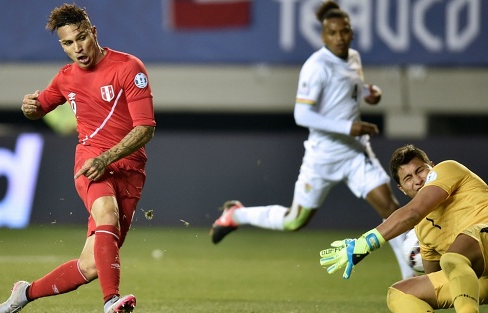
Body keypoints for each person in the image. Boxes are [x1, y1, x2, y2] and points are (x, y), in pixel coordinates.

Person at [209, 0, 415, 280]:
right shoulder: (316, 66)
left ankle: (410, 280)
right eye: (333, 32)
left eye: (344, 31)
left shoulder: (353, 57)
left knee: (390, 209)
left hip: (355, 153)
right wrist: (347, 126)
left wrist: (368, 92)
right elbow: (302, 114)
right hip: (323, 156)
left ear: (351, 32)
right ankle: (236, 215)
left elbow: (346, 88)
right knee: (295, 221)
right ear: (323, 35)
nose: (339, 38)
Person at [0, 4, 155, 313]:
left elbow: (145, 128)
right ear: (62, 45)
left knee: (91, 266)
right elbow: (40, 106)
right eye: (68, 43)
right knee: (106, 212)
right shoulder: (66, 78)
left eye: (81, 38)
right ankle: (111, 302)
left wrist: (109, 157)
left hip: (128, 167)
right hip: (90, 160)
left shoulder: (129, 68)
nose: (77, 48)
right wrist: (30, 107)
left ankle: (23, 295)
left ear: (93, 33)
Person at [320, 144, 488, 312]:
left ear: (433, 167)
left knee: (452, 258)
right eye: (408, 178)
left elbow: (413, 212)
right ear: (401, 189)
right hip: (480, 278)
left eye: (420, 170)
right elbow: (436, 278)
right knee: (402, 293)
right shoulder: (422, 229)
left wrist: (363, 244)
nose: (417, 180)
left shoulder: (447, 168)